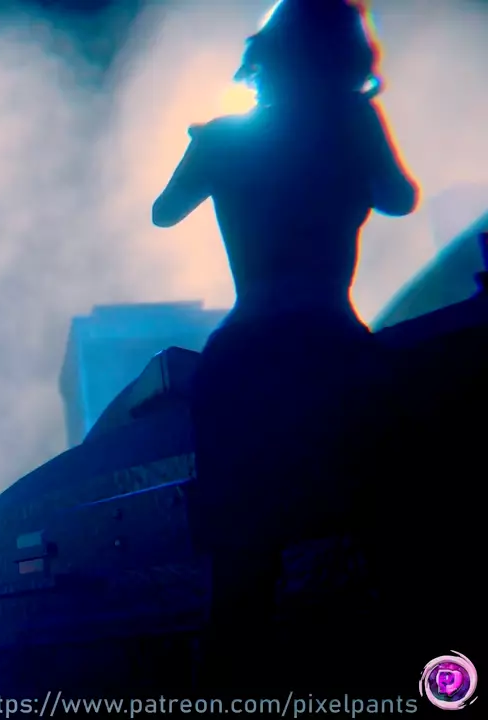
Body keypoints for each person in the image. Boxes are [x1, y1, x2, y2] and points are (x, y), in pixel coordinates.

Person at [151, 0, 417, 693]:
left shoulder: (223, 140)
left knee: (242, 576)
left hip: (247, 363)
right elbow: (399, 198)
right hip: (334, 351)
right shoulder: (354, 124)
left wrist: (210, 146)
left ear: (268, 54)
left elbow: (164, 212)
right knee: (391, 552)